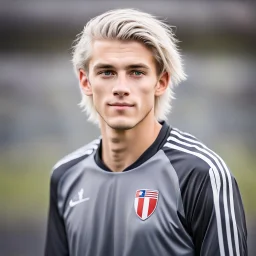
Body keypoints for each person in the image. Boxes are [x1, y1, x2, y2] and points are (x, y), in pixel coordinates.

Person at [44, 8, 247, 256]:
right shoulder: (65, 176)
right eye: (107, 72)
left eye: (136, 72)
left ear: (160, 82)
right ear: (85, 81)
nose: (120, 88)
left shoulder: (202, 174)